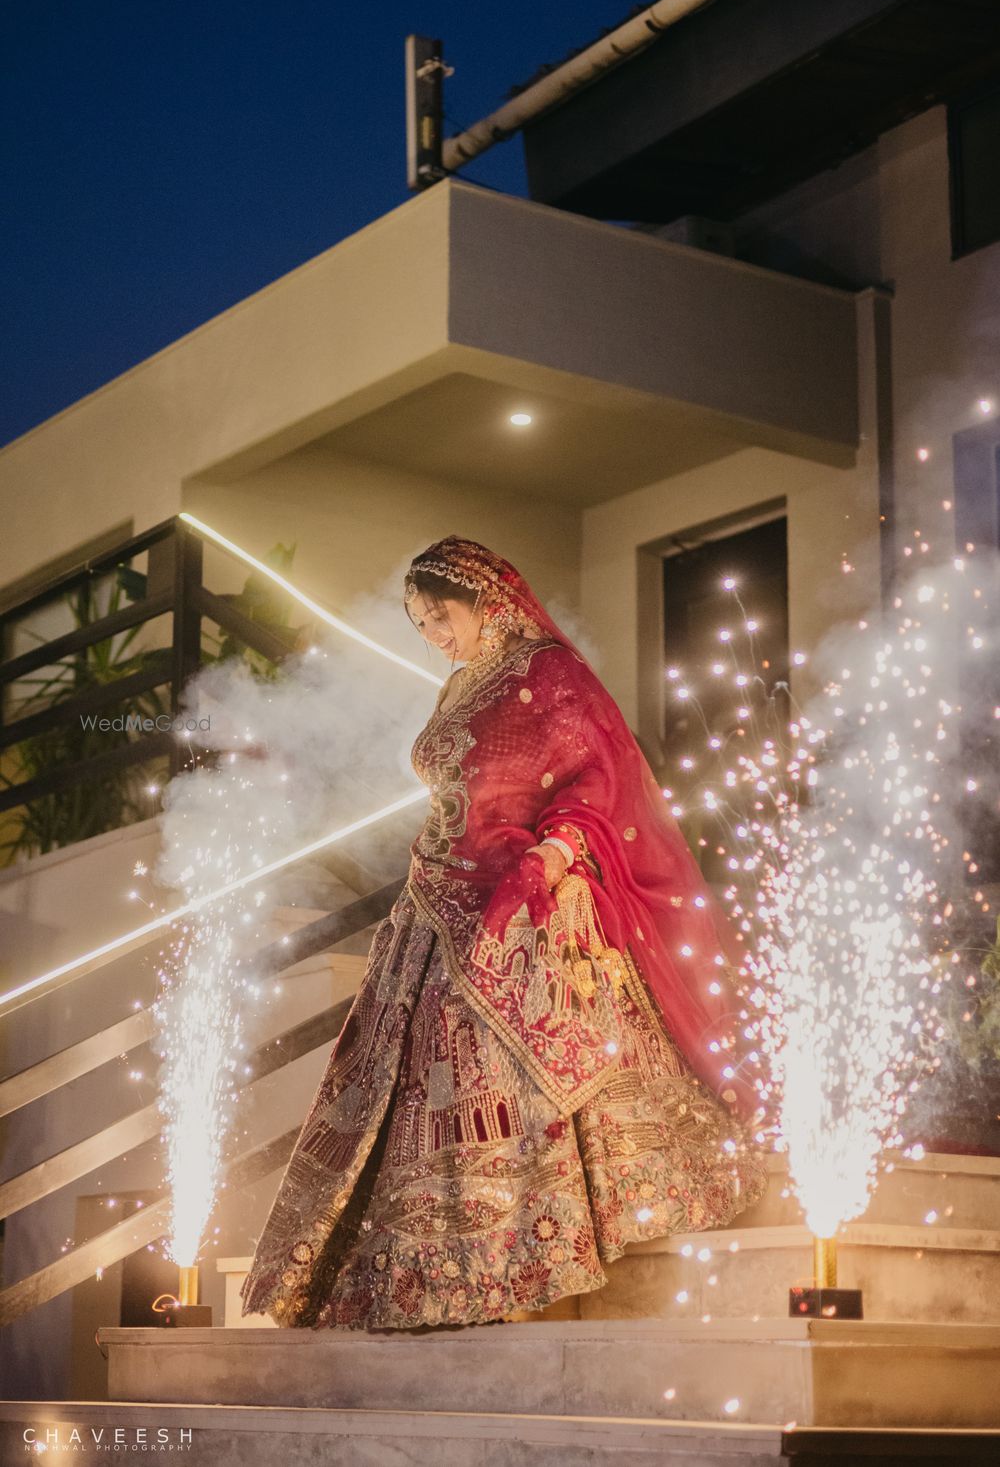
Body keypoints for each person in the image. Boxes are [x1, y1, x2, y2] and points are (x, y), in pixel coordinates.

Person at [240, 536, 768, 1330]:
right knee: (403, 1083)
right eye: (419, 623)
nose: (434, 635)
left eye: (440, 615)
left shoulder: (551, 673)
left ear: (487, 597)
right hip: (433, 906)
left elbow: (602, 774)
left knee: (505, 1075)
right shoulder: (458, 685)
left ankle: (521, 1250)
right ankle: (415, 1265)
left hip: (526, 904)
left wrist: (551, 859)